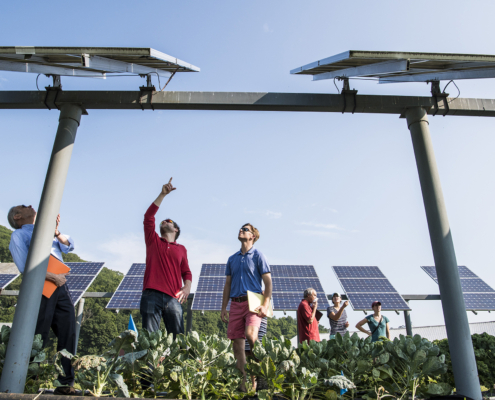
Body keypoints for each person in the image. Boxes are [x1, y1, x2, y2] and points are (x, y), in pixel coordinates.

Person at [8, 205, 76, 396]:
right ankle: (29, 382)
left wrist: (55, 231)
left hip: (61, 285)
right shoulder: (19, 236)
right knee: (39, 335)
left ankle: (65, 383)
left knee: (68, 331)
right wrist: (52, 277)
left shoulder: (48, 232)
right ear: (18, 216)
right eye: (23, 206)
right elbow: (25, 267)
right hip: (41, 287)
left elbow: (69, 246)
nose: (30, 205)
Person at [221, 223, 272, 392]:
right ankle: (243, 384)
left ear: (253, 236)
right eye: (241, 229)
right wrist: (224, 308)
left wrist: (265, 304)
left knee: (251, 335)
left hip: (254, 301)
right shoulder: (232, 259)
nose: (241, 230)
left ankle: (262, 373)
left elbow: (268, 282)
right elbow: (227, 285)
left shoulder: (258, 255)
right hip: (235, 303)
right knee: (237, 346)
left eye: (245, 229)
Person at [141, 178, 192, 338]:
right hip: (151, 295)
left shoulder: (181, 249)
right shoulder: (153, 241)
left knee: (178, 340)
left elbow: (187, 272)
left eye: (168, 221)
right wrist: (162, 194)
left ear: (175, 229)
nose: (164, 222)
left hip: (173, 298)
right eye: (162, 221)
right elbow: (148, 217)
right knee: (149, 341)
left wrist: (187, 287)